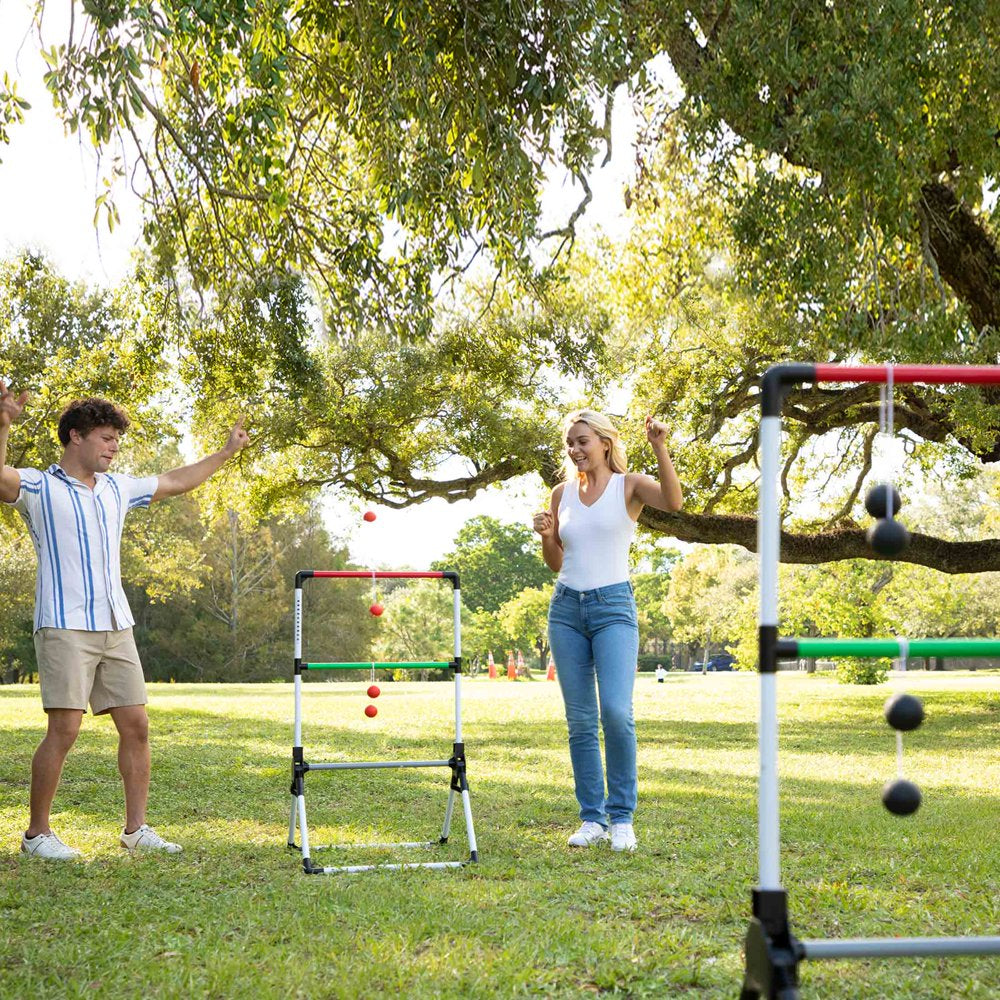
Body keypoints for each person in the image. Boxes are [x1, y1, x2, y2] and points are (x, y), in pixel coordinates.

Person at [0, 384, 249, 860]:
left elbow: (178, 481)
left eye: (117, 439)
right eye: (107, 437)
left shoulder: (118, 488)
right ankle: (36, 835)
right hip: (65, 622)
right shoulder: (39, 486)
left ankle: (136, 830)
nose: (115, 446)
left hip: (116, 622)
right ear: (76, 436)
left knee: (136, 725)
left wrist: (227, 451)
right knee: (65, 730)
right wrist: (4, 423)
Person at [533, 409, 682, 852]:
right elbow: (558, 561)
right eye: (570, 444)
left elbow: (674, 503)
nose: (575, 450)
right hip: (566, 609)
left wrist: (660, 445)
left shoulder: (629, 486)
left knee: (616, 712)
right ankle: (591, 818)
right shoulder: (561, 494)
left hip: (613, 606)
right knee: (580, 721)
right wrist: (545, 536)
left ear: (604, 442)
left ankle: (622, 818)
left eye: (583, 441)